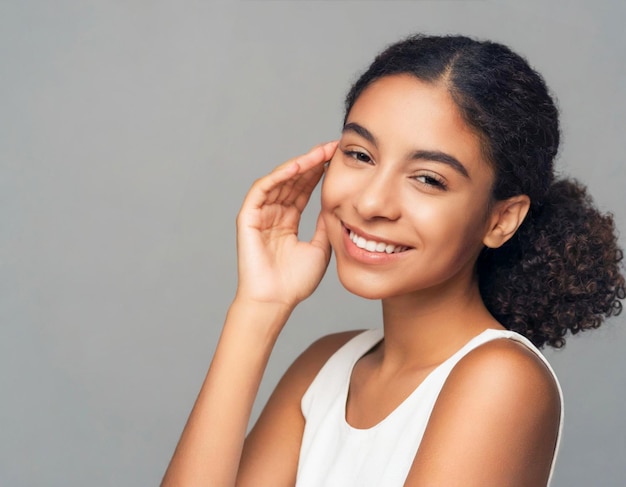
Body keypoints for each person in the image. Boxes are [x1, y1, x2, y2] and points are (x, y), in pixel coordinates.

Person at [161, 34, 625, 486]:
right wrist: (258, 309)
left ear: (501, 219)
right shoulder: (322, 368)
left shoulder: (500, 380)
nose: (371, 203)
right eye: (360, 154)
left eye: (427, 179)